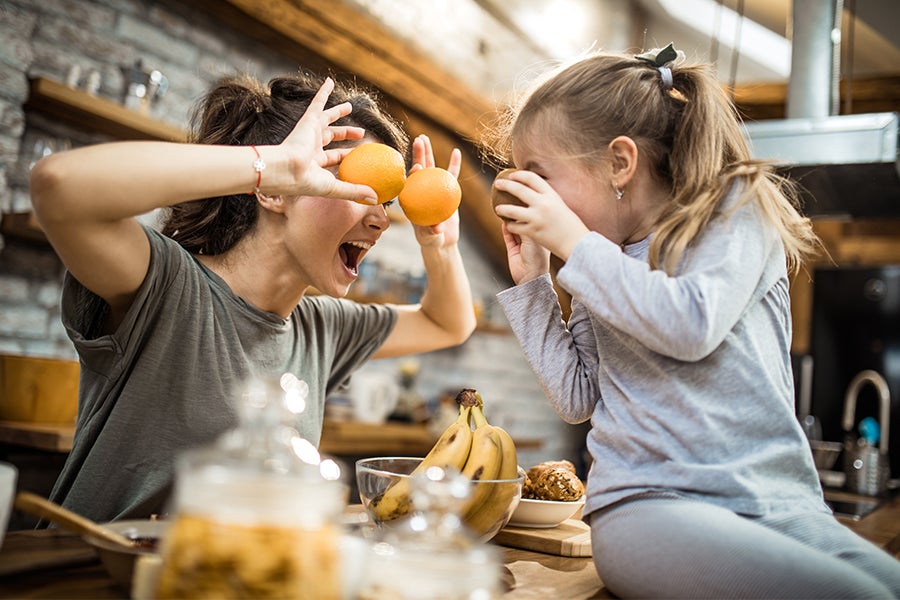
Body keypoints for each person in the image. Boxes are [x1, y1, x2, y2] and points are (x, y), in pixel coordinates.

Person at [485, 44, 900, 598]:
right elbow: (578, 395)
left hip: (774, 502)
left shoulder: (733, 209)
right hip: (649, 508)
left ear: (619, 162)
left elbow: (691, 323)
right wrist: (533, 281)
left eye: (540, 175)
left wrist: (573, 244)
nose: (529, 194)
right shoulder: (598, 258)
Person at [30, 71, 475, 523]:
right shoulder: (168, 285)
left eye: (386, 201)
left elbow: (448, 323)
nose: (381, 221)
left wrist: (441, 248)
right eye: (356, 187)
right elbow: (57, 185)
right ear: (277, 193)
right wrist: (270, 167)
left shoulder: (322, 329)